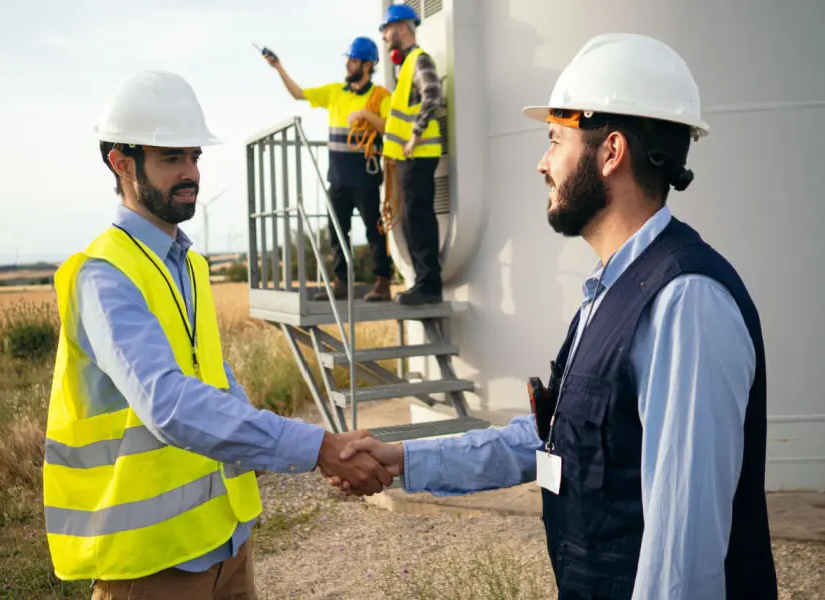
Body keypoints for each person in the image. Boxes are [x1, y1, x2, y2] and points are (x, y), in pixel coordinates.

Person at [330, 33, 778, 600]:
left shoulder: (685, 302)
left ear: (611, 151)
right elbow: (551, 447)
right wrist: (402, 459)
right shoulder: (609, 291)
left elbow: (682, 560)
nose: (543, 164)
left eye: (555, 139)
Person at [42, 69, 393, 600]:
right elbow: (168, 404)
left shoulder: (192, 266)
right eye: (170, 159)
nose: (190, 174)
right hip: (152, 564)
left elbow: (215, 376)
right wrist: (315, 445)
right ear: (121, 162)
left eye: (194, 157)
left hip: (227, 542)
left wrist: (296, 454)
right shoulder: (103, 275)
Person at [264, 36, 394, 302]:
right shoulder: (335, 92)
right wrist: (279, 67)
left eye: (354, 60)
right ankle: (342, 284)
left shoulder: (379, 96)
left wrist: (366, 116)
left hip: (366, 177)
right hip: (338, 177)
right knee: (337, 232)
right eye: (348, 60)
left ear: (368, 65)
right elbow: (299, 94)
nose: (348, 65)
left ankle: (383, 282)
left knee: (374, 231)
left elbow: (390, 129)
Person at [379, 4, 445, 305]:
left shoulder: (419, 60)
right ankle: (423, 282)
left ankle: (428, 286)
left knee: (417, 217)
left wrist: (415, 135)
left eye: (387, 29)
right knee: (410, 219)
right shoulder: (405, 66)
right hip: (408, 158)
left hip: (418, 154)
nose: (384, 36)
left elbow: (433, 94)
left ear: (402, 28)